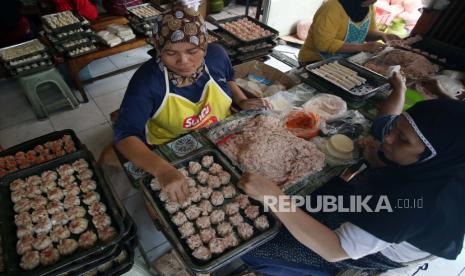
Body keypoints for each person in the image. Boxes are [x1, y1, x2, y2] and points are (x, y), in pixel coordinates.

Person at [238, 73, 465, 275]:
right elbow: (385, 123)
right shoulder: (436, 153)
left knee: (256, 247)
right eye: (397, 127)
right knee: (318, 200)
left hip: (377, 248)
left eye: (402, 139)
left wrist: (274, 198)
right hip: (387, 204)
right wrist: (399, 91)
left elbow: (335, 249)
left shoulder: (415, 204)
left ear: (431, 156)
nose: (388, 138)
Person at [112, 4, 269, 203]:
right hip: (171, 146)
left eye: (192, 50)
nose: (184, 61)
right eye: (170, 53)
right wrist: (162, 170)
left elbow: (228, 78)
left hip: (221, 135)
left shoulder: (217, 56)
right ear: (158, 49)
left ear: (204, 44)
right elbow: (125, 136)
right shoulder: (147, 81)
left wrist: (242, 100)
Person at [298, 0, 400, 64]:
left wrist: (382, 35)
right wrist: (364, 47)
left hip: (346, 59)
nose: (375, 1)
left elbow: (367, 33)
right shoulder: (332, 8)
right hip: (315, 60)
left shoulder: (368, 6)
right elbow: (324, 44)